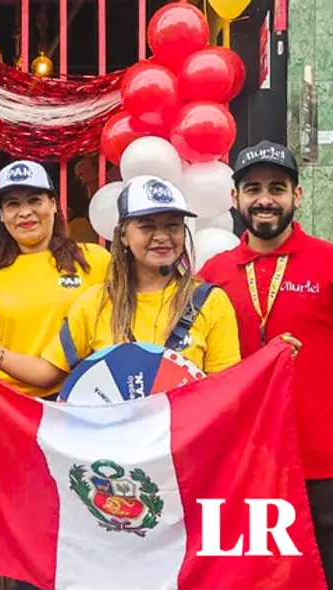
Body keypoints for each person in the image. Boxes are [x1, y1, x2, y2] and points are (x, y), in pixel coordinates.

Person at [0, 175, 245, 393]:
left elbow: (228, 393)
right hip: (113, 466)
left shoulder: (210, 302)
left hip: (184, 462)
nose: (162, 236)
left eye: (172, 225)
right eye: (147, 226)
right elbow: (48, 374)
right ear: (124, 235)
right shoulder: (95, 303)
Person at [198, 140, 332, 585]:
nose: (265, 200)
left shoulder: (328, 263)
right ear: (235, 199)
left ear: (297, 196)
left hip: (321, 466)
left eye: (277, 188)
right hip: (240, 464)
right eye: (253, 189)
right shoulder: (212, 274)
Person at [0, 160, 111, 400]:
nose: (25, 212)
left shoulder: (95, 260)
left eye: (35, 200)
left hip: (82, 404)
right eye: (12, 204)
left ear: (54, 205)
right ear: (2, 216)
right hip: (12, 410)